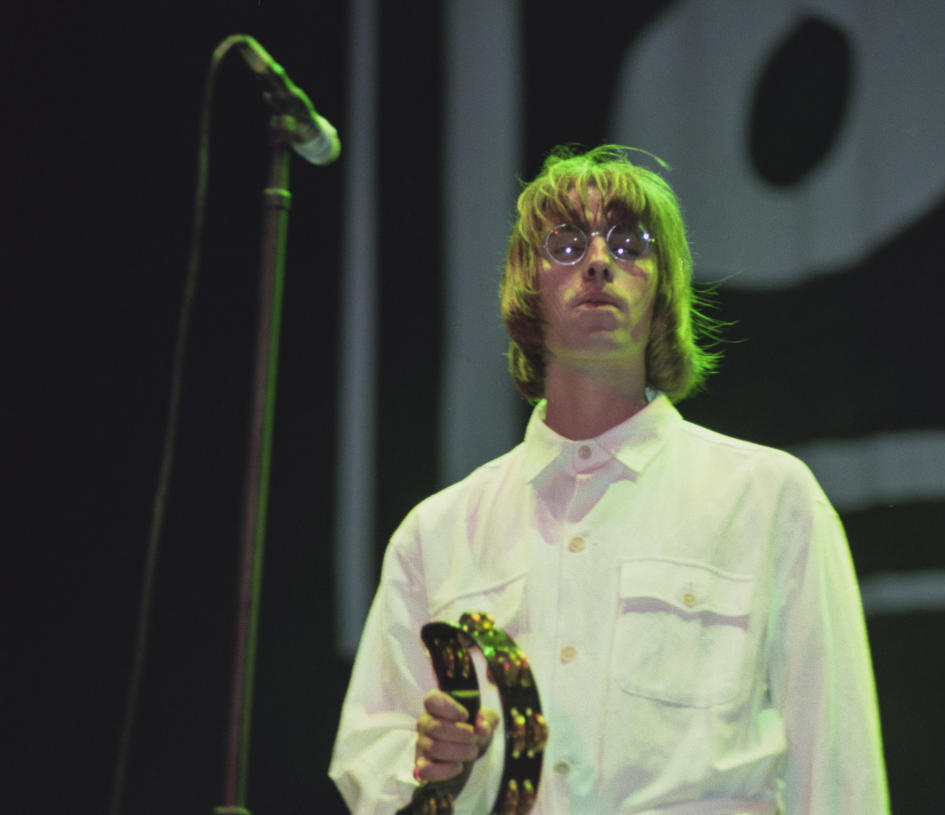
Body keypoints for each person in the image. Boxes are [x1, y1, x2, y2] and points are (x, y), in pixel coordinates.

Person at [329, 145, 889, 815]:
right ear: (525, 289)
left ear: (663, 291)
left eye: (629, 243)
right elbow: (375, 757)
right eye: (566, 244)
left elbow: (837, 769)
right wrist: (440, 769)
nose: (598, 261)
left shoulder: (769, 498)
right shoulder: (438, 533)